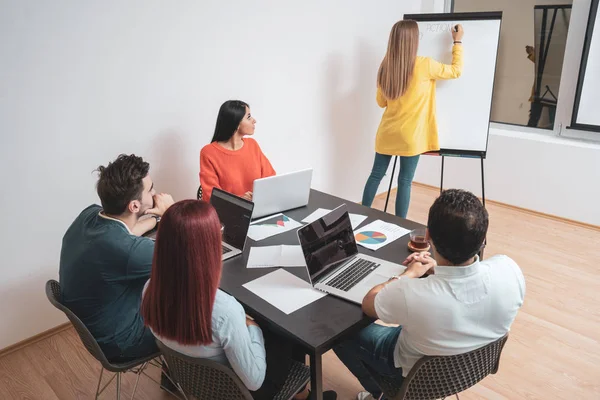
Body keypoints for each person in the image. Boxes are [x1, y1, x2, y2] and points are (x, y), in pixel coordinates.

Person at [334, 189, 526, 400]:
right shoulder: (510, 269)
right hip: (470, 369)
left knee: (339, 332)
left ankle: (380, 393)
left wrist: (408, 275)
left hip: (412, 375)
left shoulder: (411, 295)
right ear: (483, 239)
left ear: (428, 236)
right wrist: (439, 269)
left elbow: (369, 303)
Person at [141, 200, 337, 400]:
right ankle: (305, 396)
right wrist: (253, 326)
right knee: (284, 328)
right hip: (238, 391)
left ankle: (302, 394)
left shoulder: (150, 290)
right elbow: (255, 380)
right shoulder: (223, 311)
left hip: (195, 382)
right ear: (208, 249)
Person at [59, 154, 174, 362]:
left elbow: (126, 231)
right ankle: (184, 381)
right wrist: (171, 214)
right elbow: (184, 256)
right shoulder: (129, 251)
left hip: (98, 329)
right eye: (151, 189)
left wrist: (155, 218)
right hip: (124, 342)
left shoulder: (91, 215)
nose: (155, 193)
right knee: (192, 312)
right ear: (134, 206)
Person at [362, 21, 464, 218]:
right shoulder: (425, 64)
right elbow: (455, 70)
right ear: (413, 41)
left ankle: (359, 213)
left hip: (387, 133)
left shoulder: (385, 67)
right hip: (411, 137)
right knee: (405, 181)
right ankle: (400, 223)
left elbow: (381, 102)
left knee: (376, 175)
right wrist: (457, 43)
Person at [200, 100, 276, 202]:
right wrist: (240, 201)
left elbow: (270, 179)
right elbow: (212, 196)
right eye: (248, 117)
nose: (254, 120)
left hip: (258, 208)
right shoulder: (208, 153)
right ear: (236, 123)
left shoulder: (252, 145)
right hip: (228, 214)